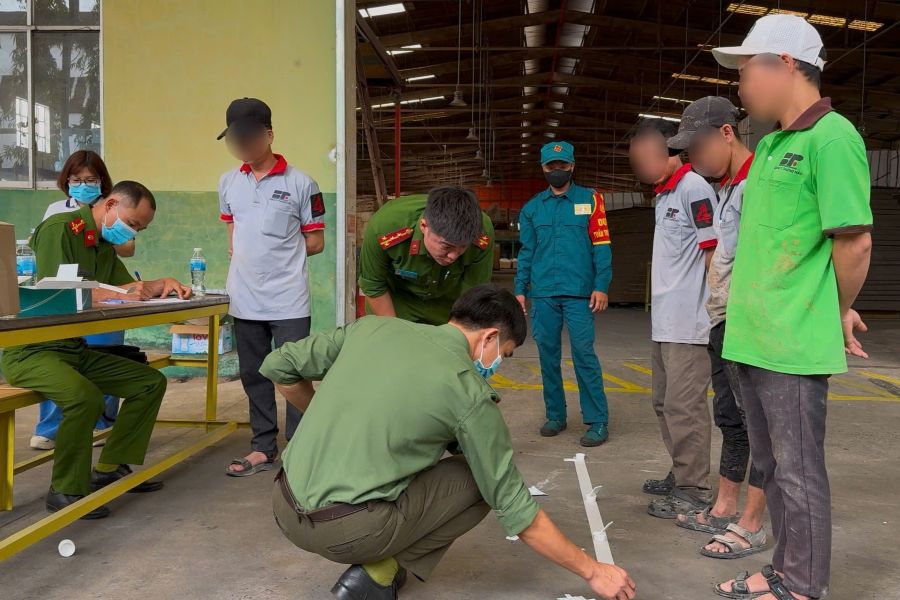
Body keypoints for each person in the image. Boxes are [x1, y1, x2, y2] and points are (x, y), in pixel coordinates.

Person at [260, 285, 636, 600]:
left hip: (282, 505)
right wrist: (593, 570)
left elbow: (280, 366)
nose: (497, 365)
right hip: (347, 533)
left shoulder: (370, 328)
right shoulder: (468, 391)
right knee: (479, 480)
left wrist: (325, 416)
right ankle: (379, 573)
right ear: (489, 337)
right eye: (503, 355)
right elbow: (514, 507)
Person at [711, 14, 873, 600]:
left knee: (800, 472)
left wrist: (835, 309)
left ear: (783, 64)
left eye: (746, 69)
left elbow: (853, 241)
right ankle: (785, 567)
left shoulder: (833, 139)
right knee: (776, 469)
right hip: (753, 337)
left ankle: (804, 585)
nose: (740, 84)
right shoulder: (776, 142)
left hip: (791, 344)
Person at [0, 181, 192, 519]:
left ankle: (110, 467)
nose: (132, 233)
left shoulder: (102, 243)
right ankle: (65, 490)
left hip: (72, 350)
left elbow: (124, 288)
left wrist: (160, 284)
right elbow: (57, 294)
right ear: (112, 203)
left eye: (139, 229)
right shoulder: (60, 230)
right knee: (84, 397)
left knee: (148, 382)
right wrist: (121, 293)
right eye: (132, 224)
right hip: (31, 350)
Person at [666, 97, 768, 560]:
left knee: (758, 424)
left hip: (752, 323)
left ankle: (752, 522)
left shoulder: (758, 185)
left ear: (727, 133)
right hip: (723, 319)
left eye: (698, 147)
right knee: (730, 417)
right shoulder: (725, 187)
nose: (693, 159)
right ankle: (726, 503)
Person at [217, 98, 326, 477]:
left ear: (269, 135)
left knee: (293, 374)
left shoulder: (301, 183)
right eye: (236, 138)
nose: (243, 145)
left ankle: (300, 448)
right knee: (254, 373)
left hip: (289, 300)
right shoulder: (228, 183)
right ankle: (263, 447)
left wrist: (278, 263)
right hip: (244, 299)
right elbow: (232, 234)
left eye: (249, 136)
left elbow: (315, 242)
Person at [628, 118, 718, 519]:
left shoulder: (694, 188)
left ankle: (694, 488)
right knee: (664, 403)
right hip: (664, 323)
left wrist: (716, 313)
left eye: (644, 155)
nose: (640, 166)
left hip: (689, 324)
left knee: (685, 407)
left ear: (667, 149)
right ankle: (682, 470)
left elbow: (714, 252)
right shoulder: (665, 195)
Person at [515, 140, 613, 447]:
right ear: (543, 168)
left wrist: (601, 285)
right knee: (547, 356)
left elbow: (602, 245)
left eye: (563, 166)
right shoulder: (532, 208)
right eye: (551, 167)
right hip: (543, 293)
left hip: (579, 293)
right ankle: (555, 415)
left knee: (584, 355)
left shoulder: (591, 199)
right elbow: (527, 251)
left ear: (572, 166)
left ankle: (597, 421)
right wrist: (520, 290)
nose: (557, 171)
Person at [30, 150, 130, 451]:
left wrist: (105, 225)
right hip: (66, 295)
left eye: (90, 180)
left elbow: (127, 247)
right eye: (77, 180)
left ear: (102, 182)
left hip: (105, 293)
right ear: (67, 181)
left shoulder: (110, 209)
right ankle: (50, 427)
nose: (83, 185)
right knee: (59, 358)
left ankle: (102, 422)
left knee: (108, 355)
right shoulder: (56, 211)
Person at [358, 186, 494, 325]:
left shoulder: (482, 232)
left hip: (449, 306)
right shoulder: (385, 226)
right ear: (424, 226)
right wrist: (394, 331)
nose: (453, 256)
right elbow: (373, 285)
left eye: (463, 247)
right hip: (396, 302)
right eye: (446, 246)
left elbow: (474, 292)